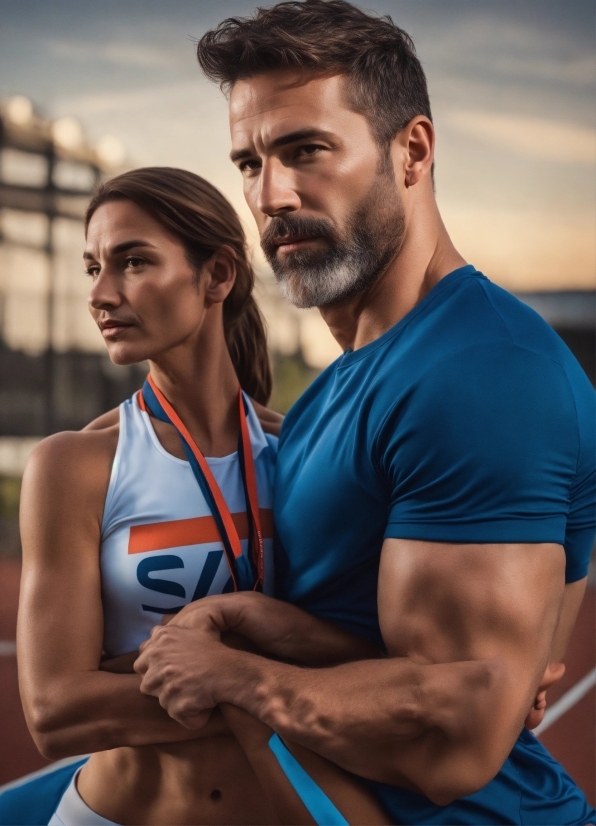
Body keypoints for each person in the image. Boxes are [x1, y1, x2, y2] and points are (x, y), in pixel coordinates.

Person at [134, 2, 596, 824]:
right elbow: (411, 655)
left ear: (410, 151)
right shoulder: (346, 386)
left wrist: (236, 672)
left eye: (306, 150)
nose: (270, 196)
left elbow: (459, 739)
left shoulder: (481, 376)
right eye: (248, 162)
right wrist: (250, 619)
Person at [8, 166, 397, 826]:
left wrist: (179, 670)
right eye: (92, 268)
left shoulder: (302, 454)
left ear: (217, 276)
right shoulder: (73, 467)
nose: (101, 293)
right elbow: (58, 711)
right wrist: (273, 678)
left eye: (132, 262)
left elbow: (384, 658)